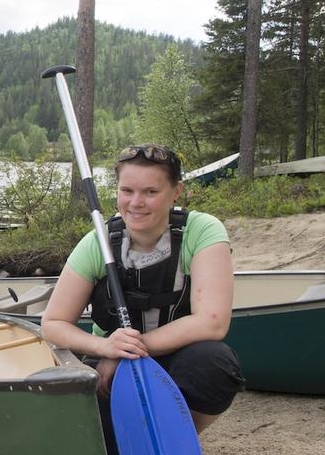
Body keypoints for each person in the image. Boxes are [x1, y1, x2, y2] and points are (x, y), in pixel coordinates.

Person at [40, 143, 244, 454]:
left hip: (174, 359)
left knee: (215, 363)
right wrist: (105, 348)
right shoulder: (98, 243)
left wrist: (126, 352)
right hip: (107, 367)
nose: (136, 203)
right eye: (127, 191)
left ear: (176, 192)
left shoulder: (202, 231)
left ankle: (174, 440)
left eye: (151, 192)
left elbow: (212, 323)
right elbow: (53, 324)